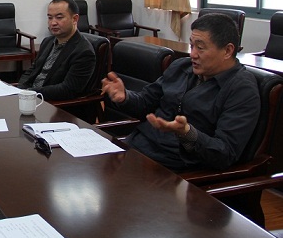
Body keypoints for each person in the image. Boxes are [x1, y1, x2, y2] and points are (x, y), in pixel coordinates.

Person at [101, 13, 260, 171]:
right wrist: (125, 97)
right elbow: (145, 102)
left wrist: (187, 133)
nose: (193, 54)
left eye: (200, 48)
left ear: (227, 51)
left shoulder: (241, 89)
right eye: (191, 46)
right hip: (137, 147)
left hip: (174, 168)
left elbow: (225, 153)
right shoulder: (181, 67)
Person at [17, 0, 95, 101]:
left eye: (59, 17)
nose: (53, 23)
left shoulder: (84, 51)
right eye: (50, 18)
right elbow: (31, 71)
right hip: (29, 97)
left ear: (75, 19)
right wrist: (20, 89)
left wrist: (31, 93)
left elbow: (68, 90)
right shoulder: (47, 42)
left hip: (52, 104)